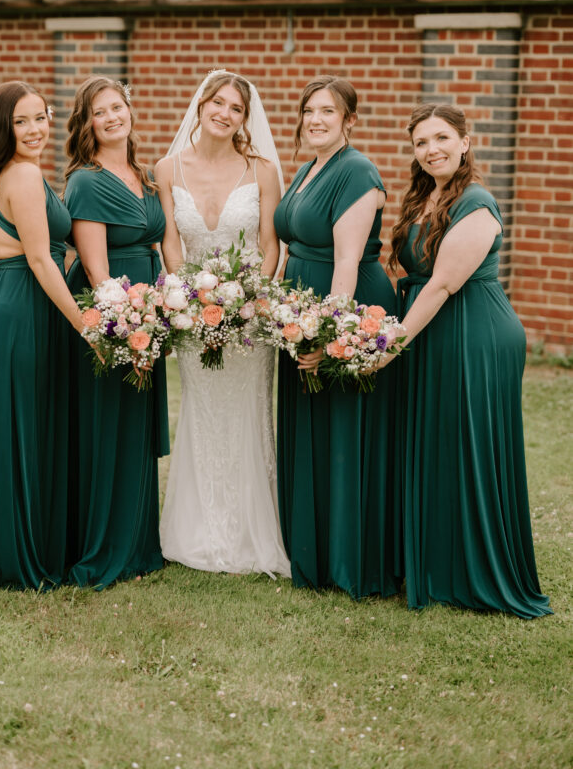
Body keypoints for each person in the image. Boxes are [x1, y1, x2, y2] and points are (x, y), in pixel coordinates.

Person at [382, 102, 551, 618]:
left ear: (464, 141)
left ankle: (477, 571)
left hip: (474, 333)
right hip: (434, 331)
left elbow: (442, 284)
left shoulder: (475, 202)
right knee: (437, 443)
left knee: (469, 446)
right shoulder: (425, 196)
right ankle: (437, 563)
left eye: (440, 139)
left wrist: (389, 346)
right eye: (420, 143)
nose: (431, 150)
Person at [0, 80, 87, 590]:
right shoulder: (24, 177)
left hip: (19, 304)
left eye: (40, 117)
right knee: (17, 430)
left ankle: (23, 544)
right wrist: (85, 325)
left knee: (25, 428)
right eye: (21, 122)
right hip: (19, 308)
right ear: (4, 129)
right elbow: (38, 258)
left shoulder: (27, 173)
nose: (34, 129)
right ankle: (14, 556)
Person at [156, 69, 290, 577]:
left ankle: (248, 534)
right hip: (192, 315)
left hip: (250, 317)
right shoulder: (168, 169)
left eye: (236, 108)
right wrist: (186, 296)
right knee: (202, 413)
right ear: (201, 105)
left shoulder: (262, 171)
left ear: (245, 117)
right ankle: (197, 531)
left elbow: (270, 244)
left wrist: (252, 298)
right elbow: (170, 242)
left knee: (246, 414)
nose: (224, 113)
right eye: (217, 102)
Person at [273, 75, 402, 596]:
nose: (316, 120)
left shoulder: (356, 173)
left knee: (344, 432)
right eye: (309, 111)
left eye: (328, 111)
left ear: (350, 119)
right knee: (313, 427)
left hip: (343, 309)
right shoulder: (309, 167)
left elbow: (346, 263)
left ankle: (349, 559)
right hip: (301, 309)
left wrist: (331, 339)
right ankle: (312, 550)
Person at [64, 75, 169, 589]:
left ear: (130, 109)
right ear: (87, 124)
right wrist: (129, 329)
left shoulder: (145, 176)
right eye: (98, 112)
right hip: (111, 318)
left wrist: (165, 309)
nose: (111, 118)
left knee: (136, 424)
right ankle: (106, 546)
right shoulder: (85, 180)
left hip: (148, 308)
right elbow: (98, 273)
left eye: (116, 107)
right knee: (109, 425)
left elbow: (159, 250)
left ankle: (138, 544)